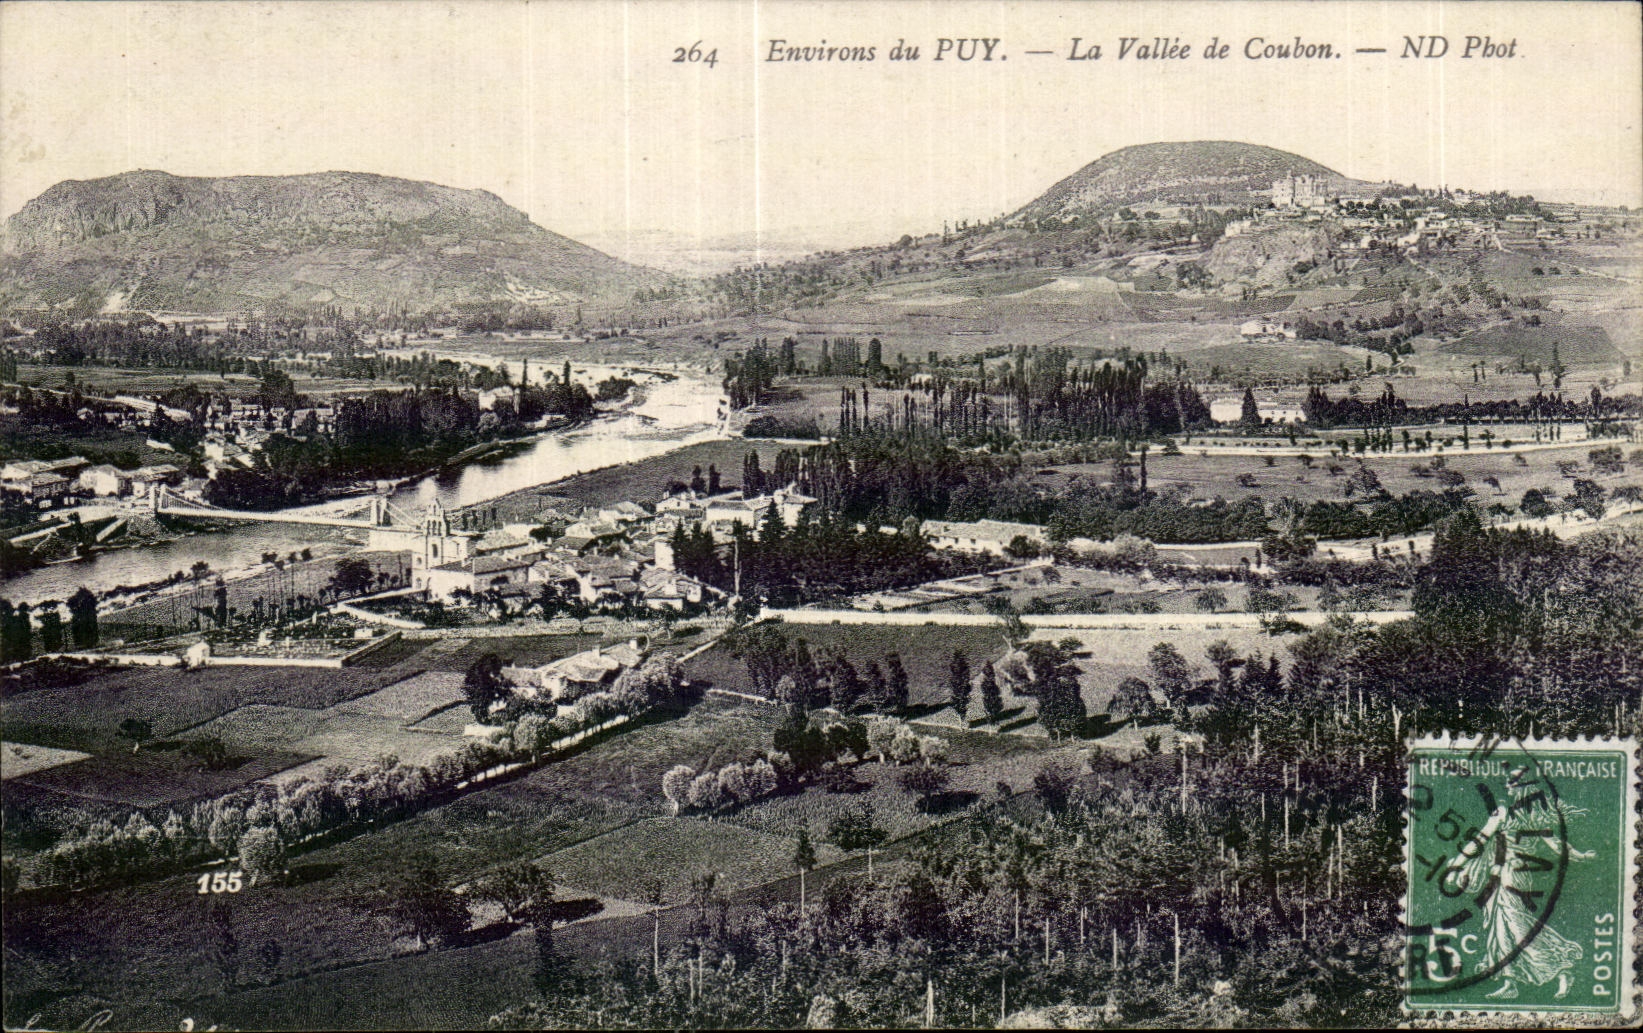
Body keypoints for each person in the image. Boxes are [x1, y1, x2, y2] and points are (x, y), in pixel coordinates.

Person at [1448, 768, 1592, 1000]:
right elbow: (1482, 840)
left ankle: (1560, 968)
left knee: (1513, 925)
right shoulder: (1527, 814)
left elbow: (1555, 844)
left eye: (1512, 782)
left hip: (1513, 876)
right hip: (1504, 875)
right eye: (1507, 782)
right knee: (1502, 926)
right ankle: (1512, 981)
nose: (1508, 786)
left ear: (1526, 786)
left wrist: (1581, 856)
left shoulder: (1523, 814)